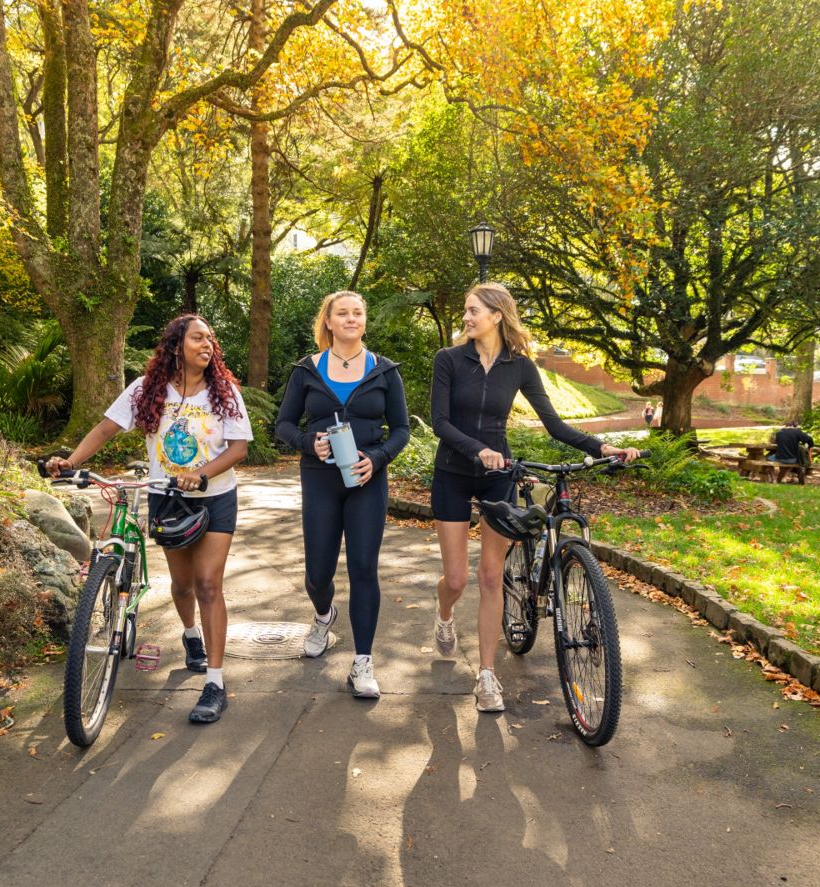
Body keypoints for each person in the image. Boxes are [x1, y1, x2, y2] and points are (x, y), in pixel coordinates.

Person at [429, 283, 641, 712]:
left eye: (473, 311)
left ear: (497, 315)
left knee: (491, 577)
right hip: (453, 472)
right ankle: (444, 617)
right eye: (466, 311)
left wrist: (602, 448)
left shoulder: (520, 366)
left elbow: (555, 425)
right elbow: (440, 422)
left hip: (499, 477)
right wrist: (478, 450)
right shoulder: (449, 360)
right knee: (456, 579)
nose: (466, 318)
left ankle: (486, 676)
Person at [45, 314, 252, 724]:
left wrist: (202, 473)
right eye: (197, 338)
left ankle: (214, 682)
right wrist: (70, 461)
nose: (207, 345)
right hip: (165, 499)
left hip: (215, 498)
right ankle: (191, 636)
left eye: (211, 339)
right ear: (176, 346)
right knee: (182, 585)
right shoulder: (146, 390)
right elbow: (107, 428)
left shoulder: (223, 391)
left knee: (209, 584)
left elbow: (239, 448)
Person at [275, 291, 410, 698]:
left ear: (364, 322)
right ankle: (323, 615)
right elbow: (283, 424)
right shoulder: (307, 370)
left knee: (364, 569)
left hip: (367, 480)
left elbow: (401, 429)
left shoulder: (384, 371)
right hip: (320, 478)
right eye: (342, 313)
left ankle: (362, 663)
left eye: (358, 313)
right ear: (329, 322)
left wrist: (378, 457)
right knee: (318, 573)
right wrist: (306, 442)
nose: (351, 319)